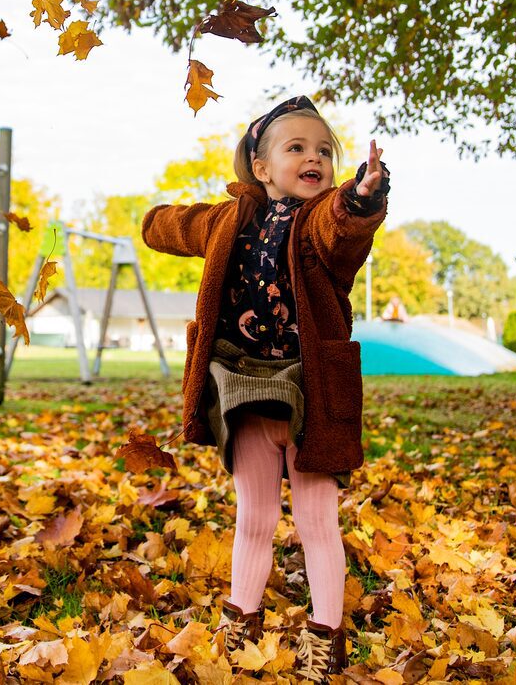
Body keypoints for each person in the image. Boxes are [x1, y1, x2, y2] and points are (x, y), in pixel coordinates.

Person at [141, 95, 389, 680]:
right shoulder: (230, 221)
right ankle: (239, 621)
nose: (315, 158)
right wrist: (153, 218)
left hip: (310, 394)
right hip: (245, 392)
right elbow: (168, 227)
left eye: (325, 150)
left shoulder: (321, 223)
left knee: (315, 522)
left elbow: (345, 230)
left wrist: (363, 196)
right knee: (252, 518)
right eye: (297, 147)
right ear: (259, 165)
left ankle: (325, 635)